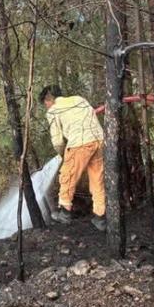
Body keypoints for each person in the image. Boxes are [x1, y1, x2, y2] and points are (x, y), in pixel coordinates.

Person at [40, 85, 106, 231]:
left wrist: (63, 154)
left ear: (49, 99)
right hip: (98, 140)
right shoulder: (79, 99)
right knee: (97, 179)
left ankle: (64, 213)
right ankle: (100, 218)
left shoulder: (53, 111)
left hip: (79, 143)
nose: (46, 107)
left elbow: (57, 141)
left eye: (45, 104)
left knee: (67, 176)